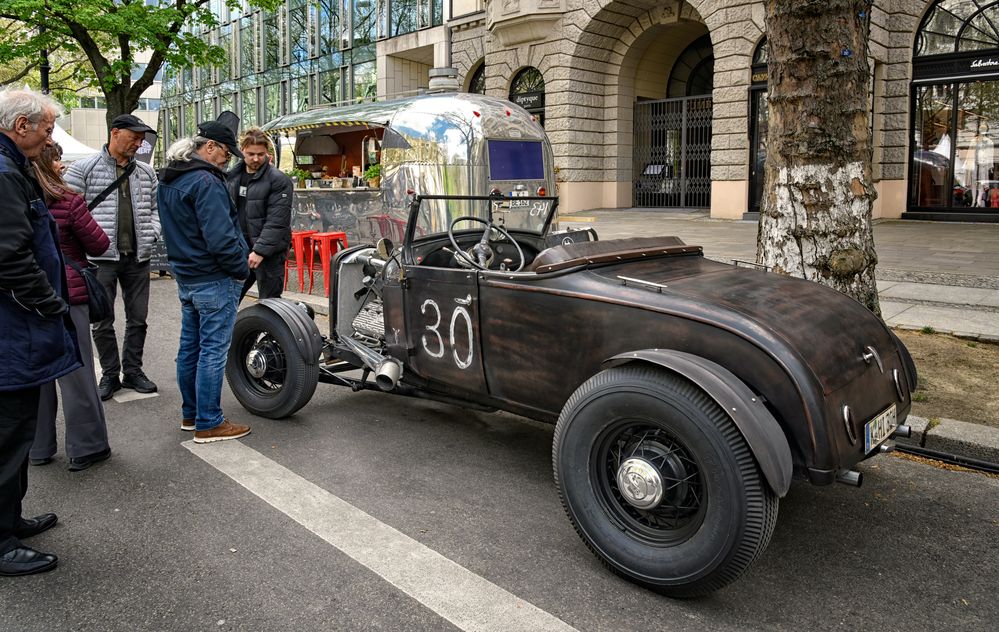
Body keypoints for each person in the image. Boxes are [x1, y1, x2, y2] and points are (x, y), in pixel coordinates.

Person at [0, 88, 82, 576]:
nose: (52, 135)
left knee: (17, 431)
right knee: (8, 436)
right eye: (48, 127)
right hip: (14, 328)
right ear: (21, 125)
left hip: (18, 327)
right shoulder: (6, 172)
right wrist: (49, 303)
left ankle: (10, 520)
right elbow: (9, 256)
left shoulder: (13, 166)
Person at [157, 121, 251, 443]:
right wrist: (241, 268)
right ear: (209, 147)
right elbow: (221, 239)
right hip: (213, 278)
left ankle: (191, 414)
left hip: (187, 276)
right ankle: (209, 422)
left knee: (191, 348)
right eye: (226, 152)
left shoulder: (170, 178)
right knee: (212, 350)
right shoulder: (205, 182)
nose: (228, 160)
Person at [65, 114, 160, 401]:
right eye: (134, 137)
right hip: (99, 258)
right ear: (115, 133)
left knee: (138, 319)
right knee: (102, 320)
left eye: (141, 139)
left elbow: (156, 210)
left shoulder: (147, 173)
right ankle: (110, 374)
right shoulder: (84, 169)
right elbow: (68, 212)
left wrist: (153, 233)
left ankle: (133, 371)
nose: (139, 143)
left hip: (138, 257)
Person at [29, 143, 112, 472]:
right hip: (67, 292)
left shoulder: (16, 196)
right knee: (77, 373)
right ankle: (86, 446)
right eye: (57, 158)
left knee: (38, 375)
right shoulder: (68, 199)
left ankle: (38, 447)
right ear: (49, 164)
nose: (62, 165)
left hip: (28, 296)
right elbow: (99, 244)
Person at [225, 127, 292, 302]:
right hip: (239, 250)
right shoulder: (231, 177)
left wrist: (260, 251)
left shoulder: (278, 180)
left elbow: (277, 220)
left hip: (269, 254)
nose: (256, 159)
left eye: (260, 154)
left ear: (267, 153)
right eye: (251, 154)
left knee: (269, 304)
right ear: (242, 151)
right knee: (229, 300)